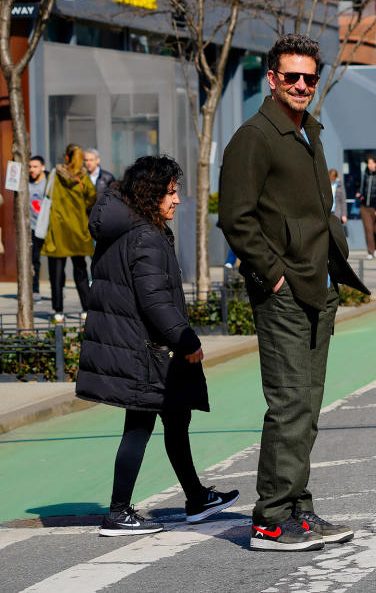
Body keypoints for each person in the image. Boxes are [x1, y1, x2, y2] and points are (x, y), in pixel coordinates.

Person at [219, 34, 368, 552]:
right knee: (287, 405)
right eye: (292, 76)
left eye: (310, 77)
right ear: (273, 79)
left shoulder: (309, 130)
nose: (302, 84)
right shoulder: (255, 137)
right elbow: (235, 218)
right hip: (285, 290)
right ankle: (270, 520)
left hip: (317, 285)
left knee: (307, 404)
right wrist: (274, 275)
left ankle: (298, 509)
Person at [76, 155, 239, 536]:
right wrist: (186, 339)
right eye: (170, 192)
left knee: (176, 415)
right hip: (145, 348)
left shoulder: (132, 228)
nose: (177, 200)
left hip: (140, 345)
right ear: (151, 195)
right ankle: (117, 513)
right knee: (139, 424)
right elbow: (154, 300)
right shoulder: (145, 236)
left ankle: (197, 498)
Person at [42, 143, 96, 322]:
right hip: (77, 231)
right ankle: (86, 309)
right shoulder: (84, 179)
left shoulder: (54, 175)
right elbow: (91, 201)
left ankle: (58, 311)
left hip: (57, 231)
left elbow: (46, 195)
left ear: (66, 157)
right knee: (80, 271)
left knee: (56, 273)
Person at [28, 155, 47, 297]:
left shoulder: (48, 183)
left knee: (56, 259)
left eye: (35, 166)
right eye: (30, 166)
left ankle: (59, 286)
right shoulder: (26, 183)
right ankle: (35, 290)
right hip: (32, 227)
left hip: (48, 226)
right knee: (34, 259)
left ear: (42, 167)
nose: (32, 169)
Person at [357, 156, 376, 259]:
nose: (370, 165)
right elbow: (362, 187)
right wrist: (359, 193)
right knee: (368, 229)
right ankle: (370, 251)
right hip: (365, 207)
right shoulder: (365, 174)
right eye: (368, 163)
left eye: (371, 163)